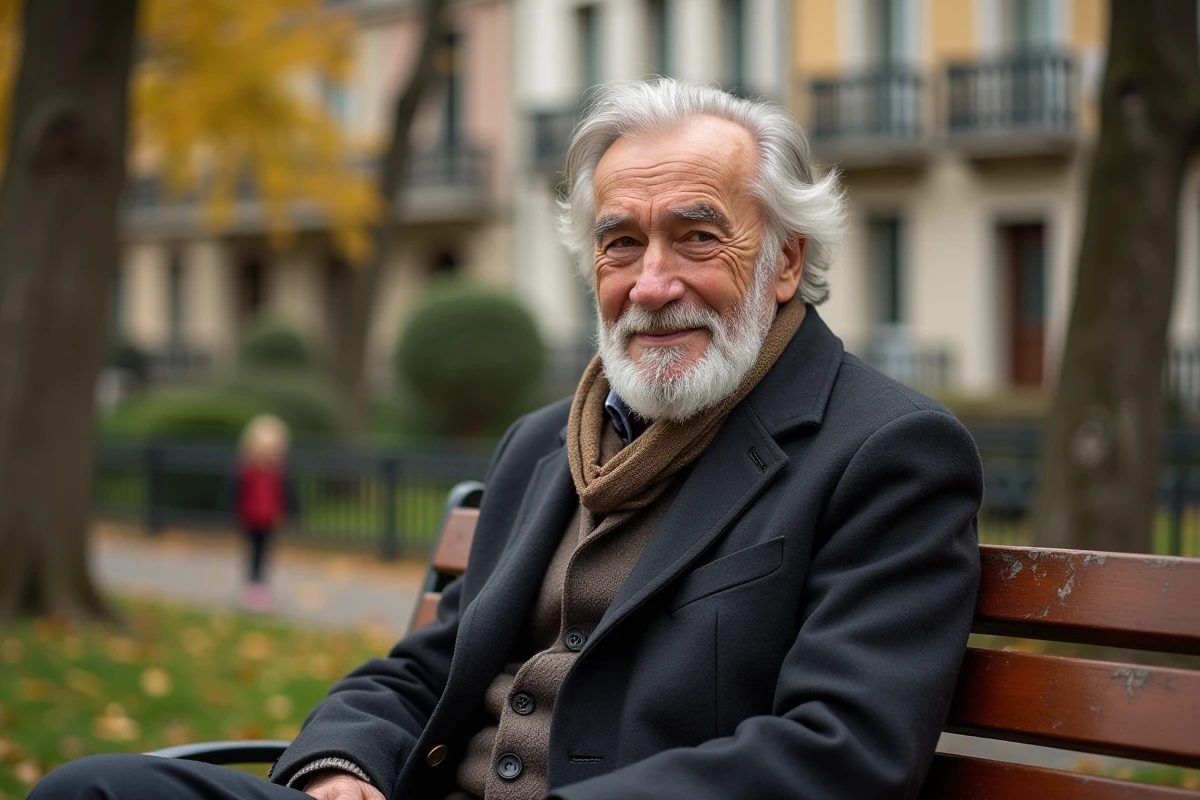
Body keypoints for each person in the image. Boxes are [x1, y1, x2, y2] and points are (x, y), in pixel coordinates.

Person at [31, 78, 982, 800]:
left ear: (785, 262)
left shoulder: (887, 451)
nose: (652, 282)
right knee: (96, 790)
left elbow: (840, 752)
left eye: (697, 238)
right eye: (621, 243)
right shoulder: (542, 445)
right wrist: (338, 764)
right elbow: (433, 665)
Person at [232, 414, 294, 612]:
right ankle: (251, 586)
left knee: (266, 553)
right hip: (250, 518)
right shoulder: (246, 470)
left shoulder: (279, 471)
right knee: (253, 552)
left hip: (269, 519)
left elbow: (286, 494)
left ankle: (261, 586)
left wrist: (288, 512)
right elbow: (235, 493)